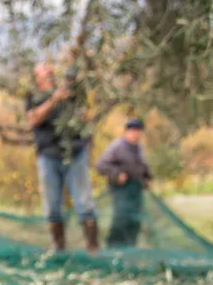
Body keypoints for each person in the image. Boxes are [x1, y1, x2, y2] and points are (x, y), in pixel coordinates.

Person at [25, 61, 99, 253]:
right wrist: (54, 100)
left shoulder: (70, 92)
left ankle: (93, 248)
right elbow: (33, 119)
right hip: (48, 155)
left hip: (75, 153)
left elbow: (84, 115)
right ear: (37, 76)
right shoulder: (33, 96)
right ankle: (59, 248)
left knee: (85, 202)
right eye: (44, 70)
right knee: (52, 207)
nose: (49, 72)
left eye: (50, 69)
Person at [95, 118, 152, 248]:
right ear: (126, 132)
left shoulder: (139, 148)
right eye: (132, 131)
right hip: (120, 188)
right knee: (121, 217)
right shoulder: (117, 146)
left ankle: (130, 245)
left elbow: (143, 166)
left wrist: (147, 176)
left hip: (136, 188)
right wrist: (117, 174)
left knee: (135, 219)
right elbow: (101, 165)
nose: (135, 134)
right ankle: (113, 246)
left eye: (138, 131)